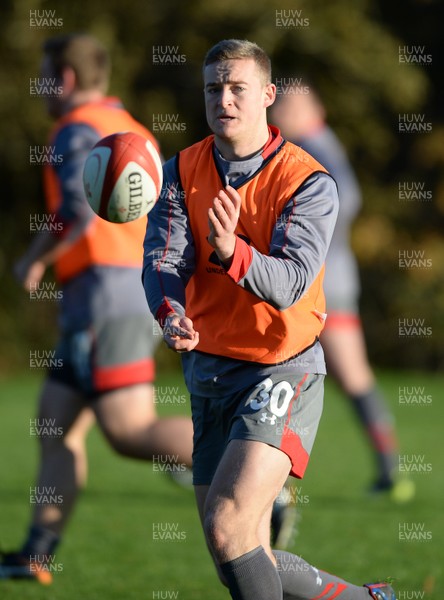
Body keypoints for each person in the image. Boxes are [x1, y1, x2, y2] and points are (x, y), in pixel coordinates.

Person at [142, 38, 396, 600]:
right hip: (210, 369)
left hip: (282, 367)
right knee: (238, 544)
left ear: (267, 94)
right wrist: (171, 310)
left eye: (237, 87)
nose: (224, 99)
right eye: (214, 88)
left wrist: (232, 250)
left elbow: (290, 284)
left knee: (228, 526)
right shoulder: (181, 170)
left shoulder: (308, 181)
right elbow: (164, 259)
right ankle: (364, 599)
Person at [0, 33, 193, 585]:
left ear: (62, 79)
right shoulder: (130, 125)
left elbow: (76, 212)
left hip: (107, 295)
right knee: (55, 421)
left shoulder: (74, 129)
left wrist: (33, 260)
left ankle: (254, 474)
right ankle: (35, 553)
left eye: (43, 76)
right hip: (122, 289)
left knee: (128, 430)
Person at [270, 86, 415, 501]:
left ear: (317, 108)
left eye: (292, 104)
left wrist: (302, 233)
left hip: (323, 285)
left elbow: (347, 199)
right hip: (324, 282)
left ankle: (388, 471)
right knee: (330, 375)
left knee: (326, 374)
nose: (284, 111)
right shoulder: (304, 144)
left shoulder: (316, 144)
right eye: (282, 104)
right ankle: (388, 471)